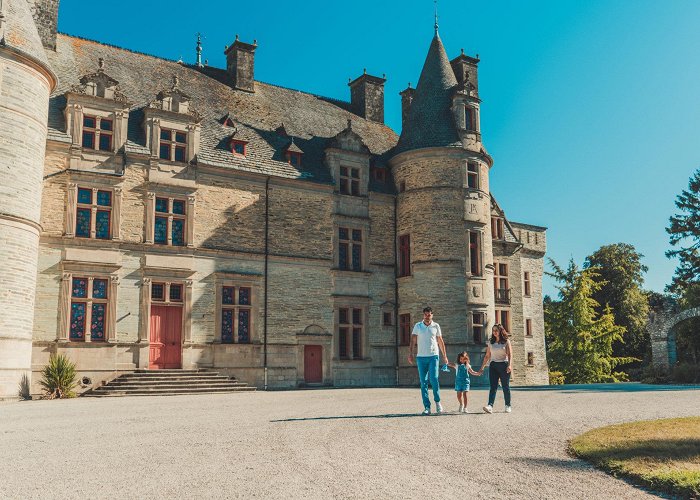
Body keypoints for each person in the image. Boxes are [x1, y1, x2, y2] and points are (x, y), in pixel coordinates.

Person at [407, 306, 448, 415]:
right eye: (425, 314)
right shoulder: (418, 326)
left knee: (434, 379)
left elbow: (440, 341)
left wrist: (445, 356)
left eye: (429, 314)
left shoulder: (436, 326)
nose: (427, 316)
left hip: (433, 356)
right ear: (423, 315)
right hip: (421, 357)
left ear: (432, 315)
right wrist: (410, 354)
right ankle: (427, 407)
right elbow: (413, 340)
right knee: (423, 382)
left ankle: (438, 402)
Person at [478, 324, 513, 414]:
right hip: (493, 366)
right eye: (493, 330)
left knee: (505, 386)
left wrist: (509, 365)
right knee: (493, 387)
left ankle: (508, 405)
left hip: (504, 365)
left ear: (501, 331)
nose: (494, 332)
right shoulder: (491, 342)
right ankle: (490, 406)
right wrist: (482, 367)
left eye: (496, 330)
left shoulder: (506, 341)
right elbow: (487, 356)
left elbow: (510, 355)